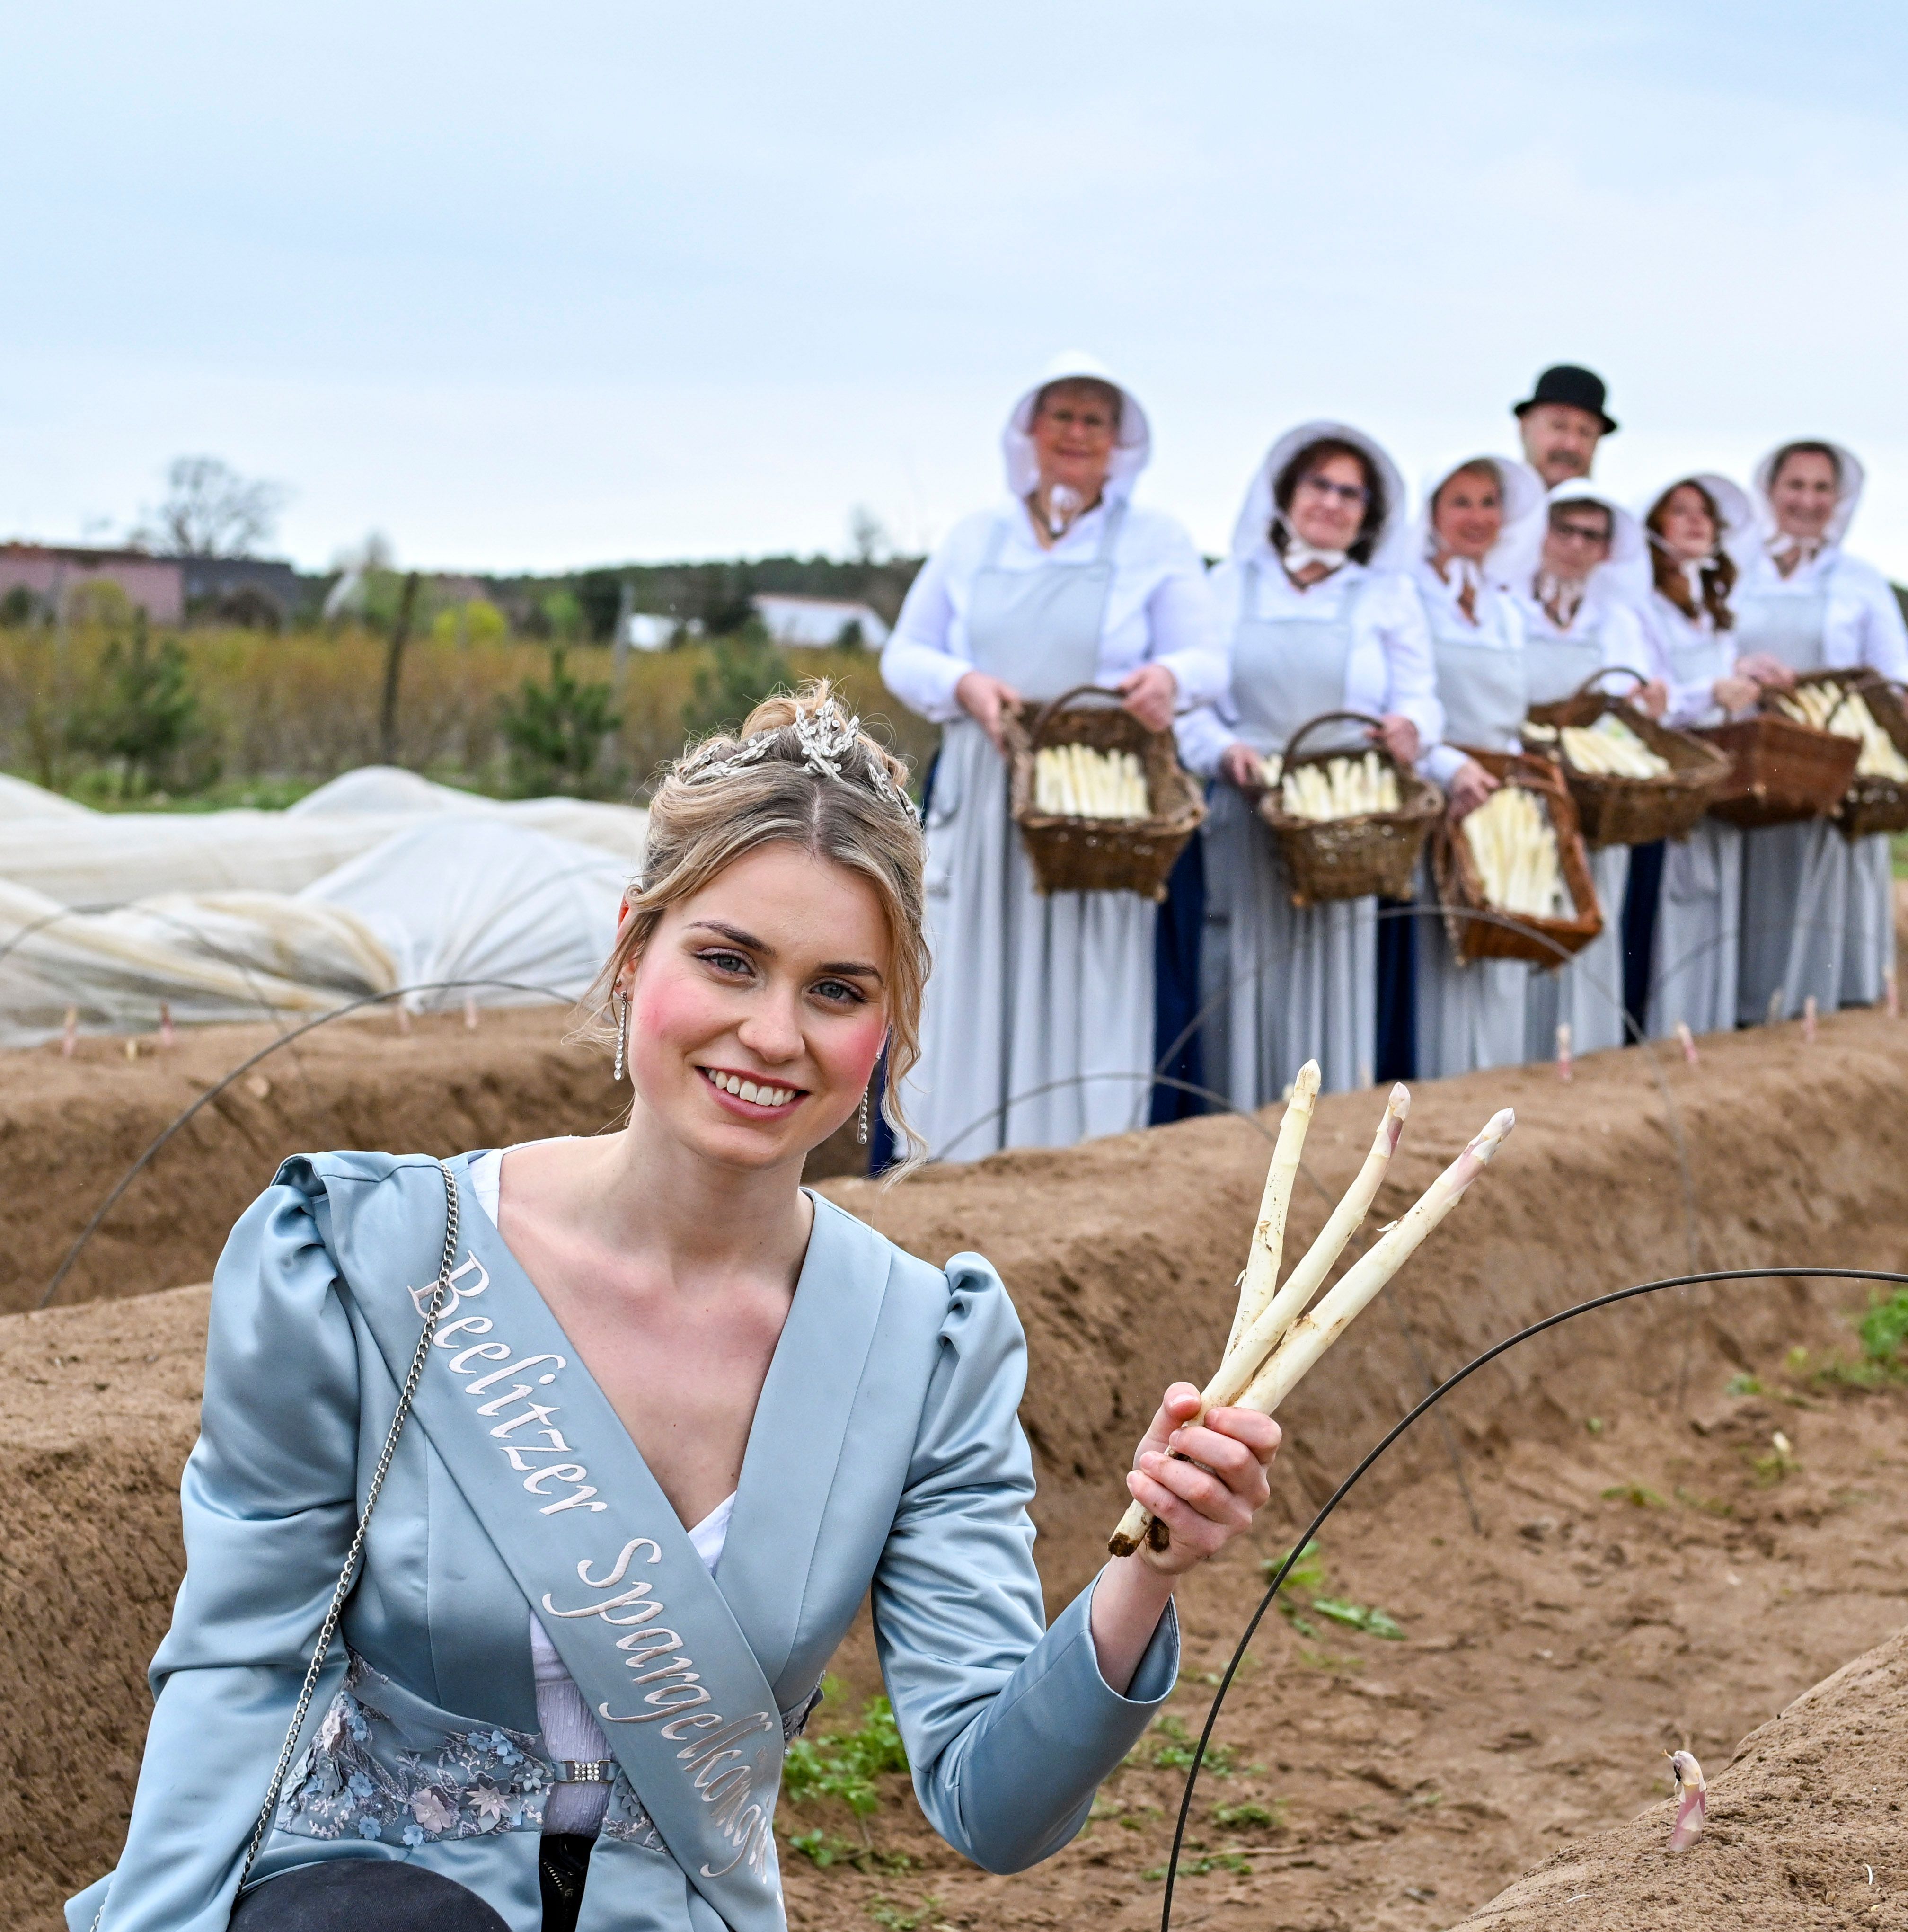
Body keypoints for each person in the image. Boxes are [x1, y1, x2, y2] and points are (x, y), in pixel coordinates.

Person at [70, 685, 1284, 1932]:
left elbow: (992, 1803)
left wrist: (1150, 1568)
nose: (771, 1033)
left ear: (891, 1024)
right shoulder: (364, 1263)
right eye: (727, 960)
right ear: (631, 946)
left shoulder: (923, 1352)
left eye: (837, 990)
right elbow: (235, 1675)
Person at [882, 355, 1225, 1157]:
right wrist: (964, 684)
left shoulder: (1155, 540)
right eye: (1062, 417)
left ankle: (1089, 1146)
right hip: (989, 783)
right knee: (973, 963)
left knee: (1093, 968)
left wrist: (1167, 678)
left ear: (1120, 443)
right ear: (1029, 433)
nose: (1077, 434)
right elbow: (907, 652)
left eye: (1095, 421)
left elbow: (1209, 658)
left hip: (1099, 801)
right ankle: (959, 1144)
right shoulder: (976, 537)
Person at [1180, 423, 1439, 1110]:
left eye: (1350, 493)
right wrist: (1220, 752)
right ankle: (1233, 1116)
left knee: (1336, 964)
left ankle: (1331, 1120)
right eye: (1318, 485)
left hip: (1347, 818)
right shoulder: (1228, 585)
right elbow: (1192, 704)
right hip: (1247, 805)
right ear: (1286, 494)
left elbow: (1419, 696)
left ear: (1370, 514)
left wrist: (1413, 728)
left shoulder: (1387, 596)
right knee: (1241, 963)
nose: (1332, 502)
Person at [1732, 439, 1908, 1020]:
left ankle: (1824, 1008)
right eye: (1795, 486)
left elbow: (1896, 667)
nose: (1808, 501)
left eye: (1822, 489)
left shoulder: (1860, 579)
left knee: (1820, 896)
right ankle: (1748, 1009)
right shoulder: (1737, 569)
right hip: (1750, 770)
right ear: (1770, 492)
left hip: (1832, 775)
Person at [1398, 453, 1548, 1077]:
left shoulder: (1508, 606)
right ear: (1433, 513)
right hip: (1436, 790)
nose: (1476, 517)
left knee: (1498, 940)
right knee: (1436, 951)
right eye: (1460, 502)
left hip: (1498, 801)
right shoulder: (1407, 594)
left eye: (1489, 503)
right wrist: (1445, 765)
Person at [1511, 479, 1661, 1062]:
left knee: (1592, 916)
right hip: (1524, 792)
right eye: (1564, 529)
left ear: (1606, 550)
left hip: (1598, 802)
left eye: (1591, 536)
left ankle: (1586, 1052)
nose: (1575, 545)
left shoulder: (1616, 618)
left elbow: (1628, 699)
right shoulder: (1507, 603)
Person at [1635, 473, 1760, 1041]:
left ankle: (1706, 1025)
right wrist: (1708, 693)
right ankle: (1665, 1025)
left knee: (1715, 900)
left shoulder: (1712, 610)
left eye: (1703, 514)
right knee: (1671, 906)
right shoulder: (1644, 607)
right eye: (1678, 511)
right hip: (1672, 777)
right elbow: (1648, 701)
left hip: (1721, 777)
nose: (1694, 522)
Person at [1512, 364, 1616, 491]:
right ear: (1524, 426)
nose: (1571, 445)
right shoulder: (1488, 509)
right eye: (1559, 426)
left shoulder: (1620, 510)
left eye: (1586, 432)